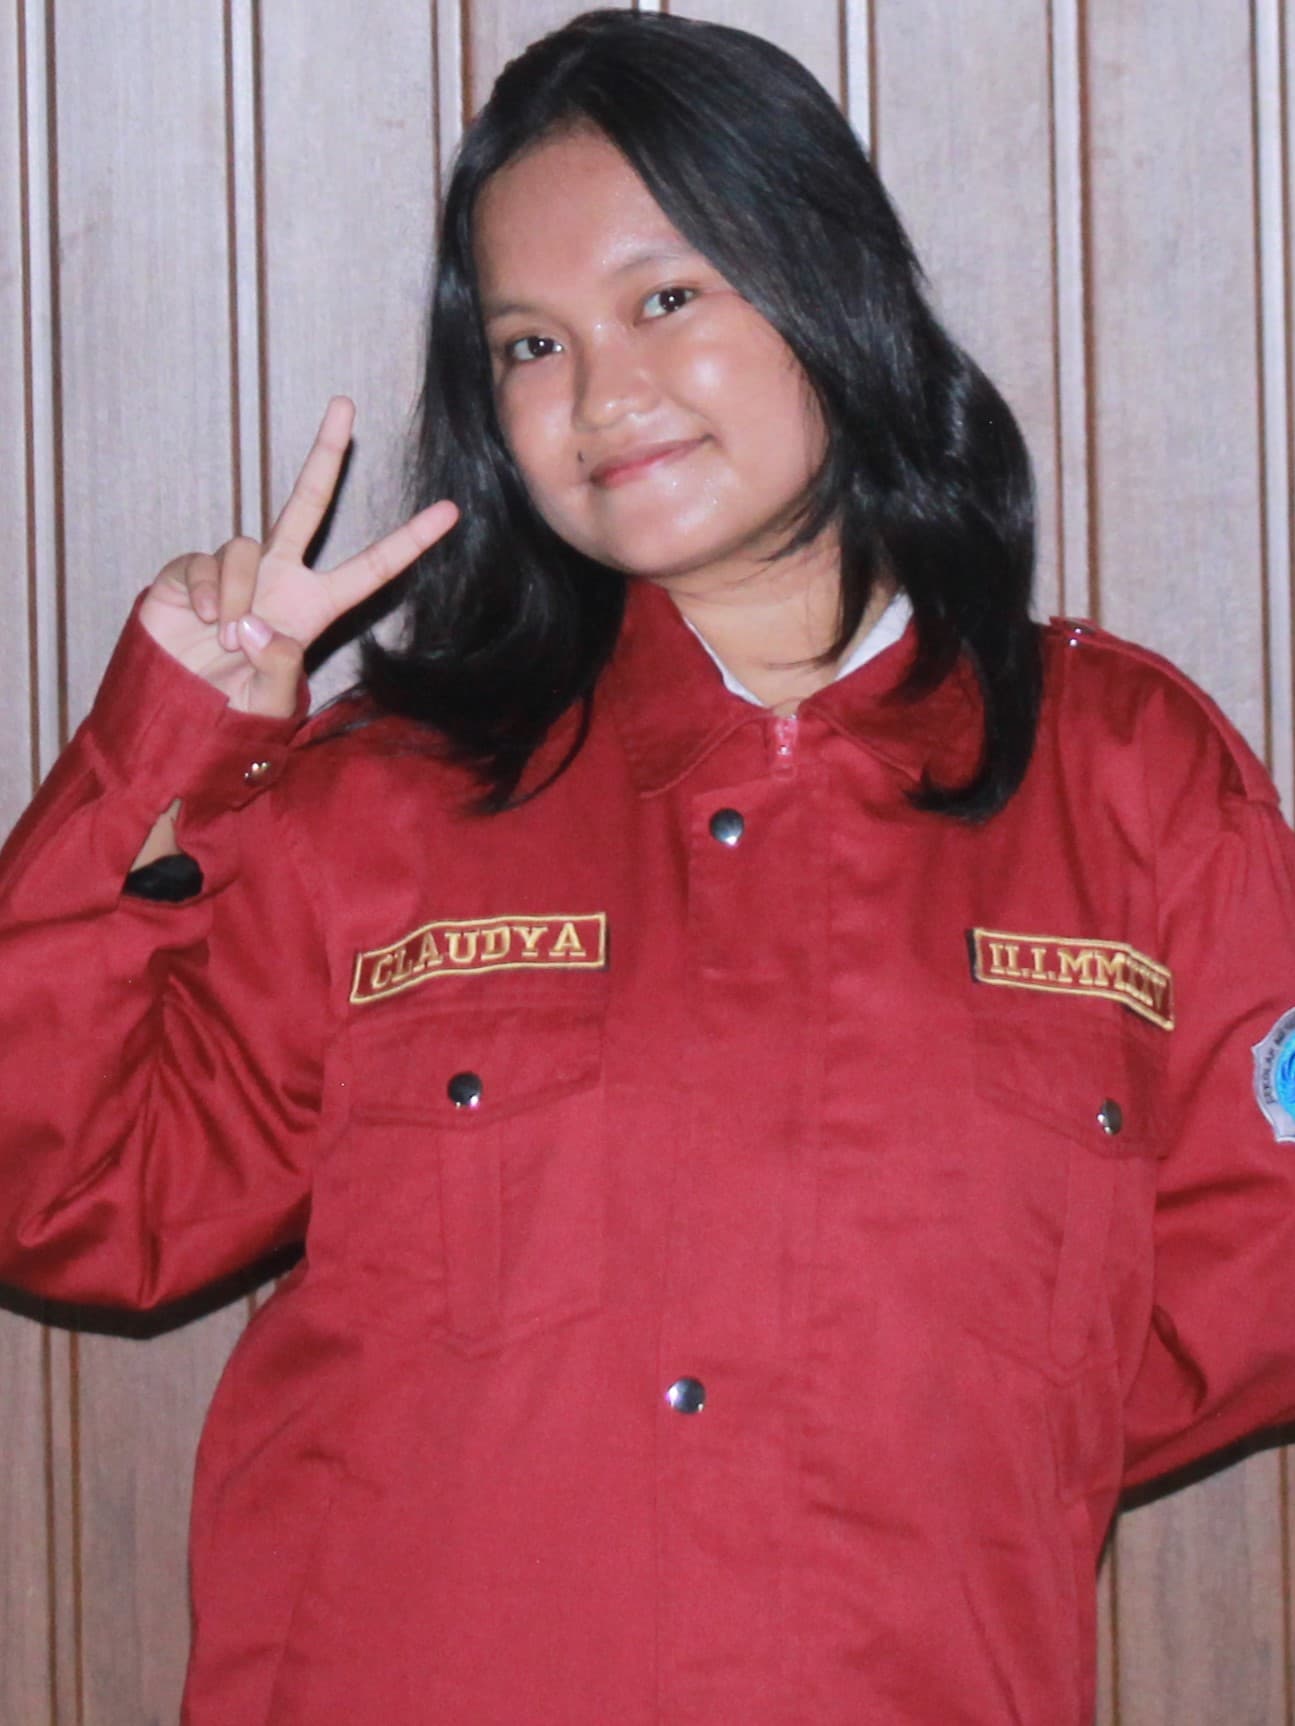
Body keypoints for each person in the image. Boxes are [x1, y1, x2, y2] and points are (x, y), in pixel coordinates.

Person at [1, 8, 1293, 1723]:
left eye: (664, 298)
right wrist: (171, 744)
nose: (602, 395)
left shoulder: (1129, 782)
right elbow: (66, 1190)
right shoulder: (388, 800)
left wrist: (937, 1424)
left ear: (830, 284)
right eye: (531, 344)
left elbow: (1253, 1269)